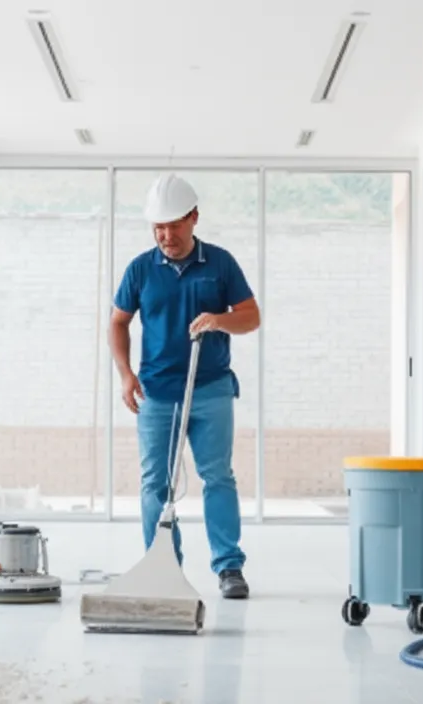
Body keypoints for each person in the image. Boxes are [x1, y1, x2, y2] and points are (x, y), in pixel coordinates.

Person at [110, 173, 261, 599]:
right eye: (158, 227)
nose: (166, 235)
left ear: (194, 218)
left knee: (217, 476)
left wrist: (219, 320)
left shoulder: (220, 264)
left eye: (175, 225)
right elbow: (118, 322)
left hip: (210, 389)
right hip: (157, 394)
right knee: (154, 483)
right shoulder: (140, 269)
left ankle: (229, 566)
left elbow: (251, 315)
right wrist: (125, 373)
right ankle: (163, 565)